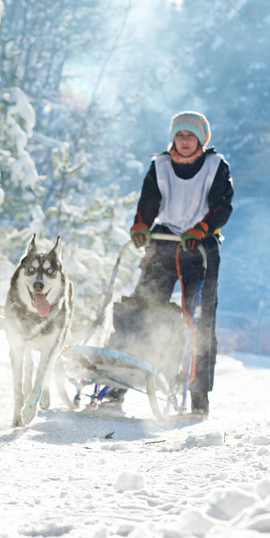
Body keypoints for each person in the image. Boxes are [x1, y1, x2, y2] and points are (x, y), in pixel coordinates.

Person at [108, 111, 233, 416]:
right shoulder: (160, 165)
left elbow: (222, 204)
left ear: (201, 139)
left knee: (199, 323)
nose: (185, 141)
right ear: (173, 138)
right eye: (180, 135)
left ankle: (198, 396)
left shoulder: (216, 166)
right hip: (165, 245)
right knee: (140, 310)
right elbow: (148, 201)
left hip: (200, 249)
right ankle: (115, 385)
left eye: (191, 136)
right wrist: (141, 225)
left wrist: (204, 228)